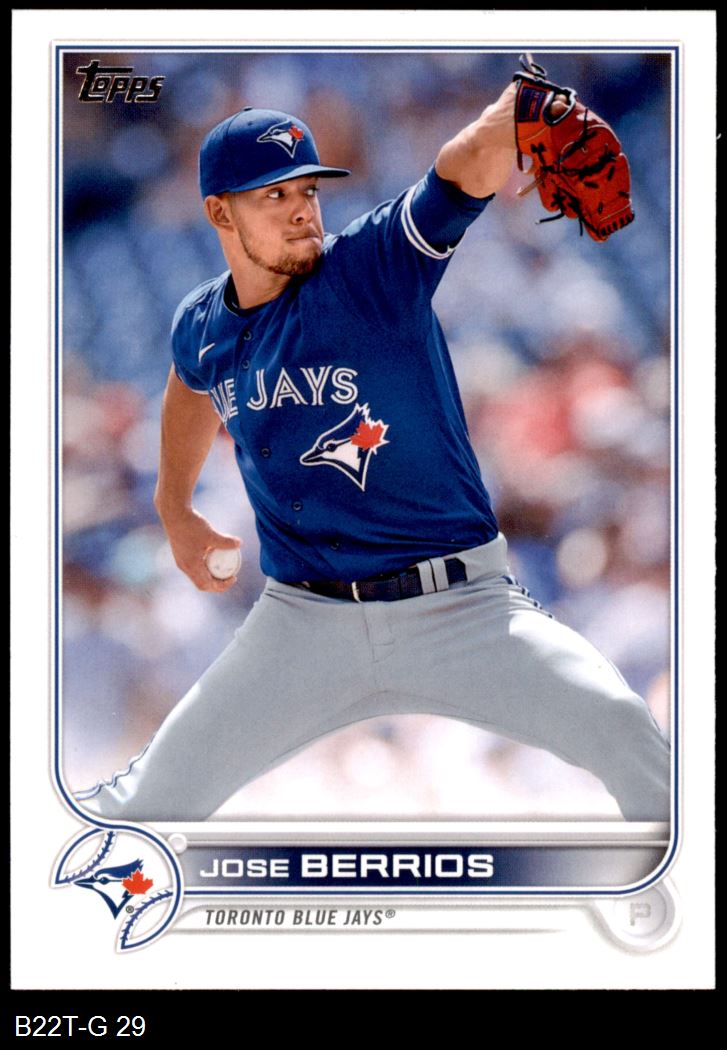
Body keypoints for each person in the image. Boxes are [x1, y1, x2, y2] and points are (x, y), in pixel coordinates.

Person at [76, 84, 671, 822]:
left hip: (459, 607)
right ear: (221, 213)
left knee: (625, 733)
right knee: (146, 800)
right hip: (303, 624)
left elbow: (458, 172)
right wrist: (175, 510)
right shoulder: (202, 322)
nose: (301, 208)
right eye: (274, 195)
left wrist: (518, 114)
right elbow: (189, 386)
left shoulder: (369, 264)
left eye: (307, 190)